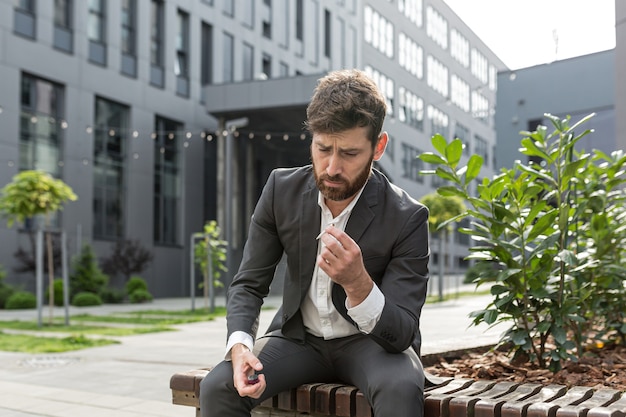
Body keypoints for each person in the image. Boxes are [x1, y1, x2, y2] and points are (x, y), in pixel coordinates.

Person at [199, 68, 430, 417]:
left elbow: (401, 333)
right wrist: (241, 346)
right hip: (298, 340)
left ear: (377, 147)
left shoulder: (407, 216)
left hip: (372, 345)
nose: (332, 167)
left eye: (350, 153)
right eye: (323, 149)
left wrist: (359, 284)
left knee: (401, 389)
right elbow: (248, 284)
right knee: (218, 387)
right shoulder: (281, 190)